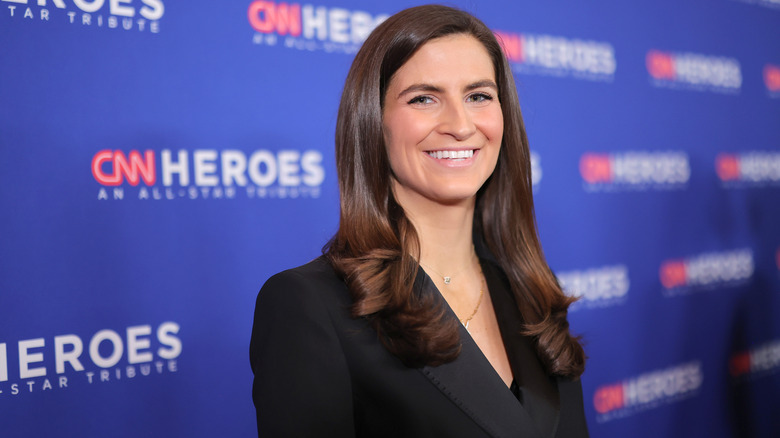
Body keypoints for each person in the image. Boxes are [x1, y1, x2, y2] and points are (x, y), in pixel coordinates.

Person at [250, 5, 588, 437]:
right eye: (424, 98)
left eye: (478, 96)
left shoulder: (531, 290)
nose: (460, 125)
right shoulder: (313, 306)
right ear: (374, 123)